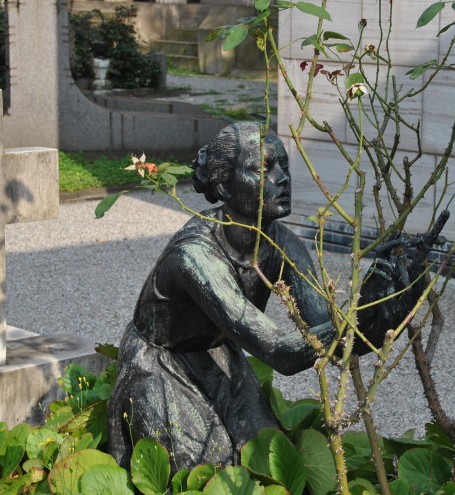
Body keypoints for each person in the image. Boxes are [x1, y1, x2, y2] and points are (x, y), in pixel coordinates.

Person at [107, 123, 429, 470]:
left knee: (264, 456)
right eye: (263, 168)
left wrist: (390, 302)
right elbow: (281, 352)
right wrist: (359, 314)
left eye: (284, 166)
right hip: (163, 363)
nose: (282, 178)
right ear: (222, 184)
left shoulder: (280, 243)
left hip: (218, 354)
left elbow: (324, 332)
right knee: (202, 468)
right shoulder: (194, 257)